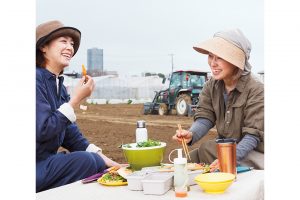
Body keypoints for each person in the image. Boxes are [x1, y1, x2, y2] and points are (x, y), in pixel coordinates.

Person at [36, 20, 121, 192]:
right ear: (43, 47)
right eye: (63, 41)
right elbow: (42, 129)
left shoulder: (58, 85)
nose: (70, 47)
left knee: (97, 163)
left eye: (72, 43)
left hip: (45, 164)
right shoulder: (34, 79)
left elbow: (71, 136)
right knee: (88, 161)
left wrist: (110, 162)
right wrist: (75, 100)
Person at [172, 29, 264, 171]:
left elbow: (252, 136)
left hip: (252, 151)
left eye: (219, 57)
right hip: (225, 148)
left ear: (236, 61)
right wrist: (191, 134)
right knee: (188, 160)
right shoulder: (211, 85)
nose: (213, 63)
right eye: (210, 56)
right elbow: (205, 117)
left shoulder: (256, 88)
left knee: (209, 151)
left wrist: (229, 159)